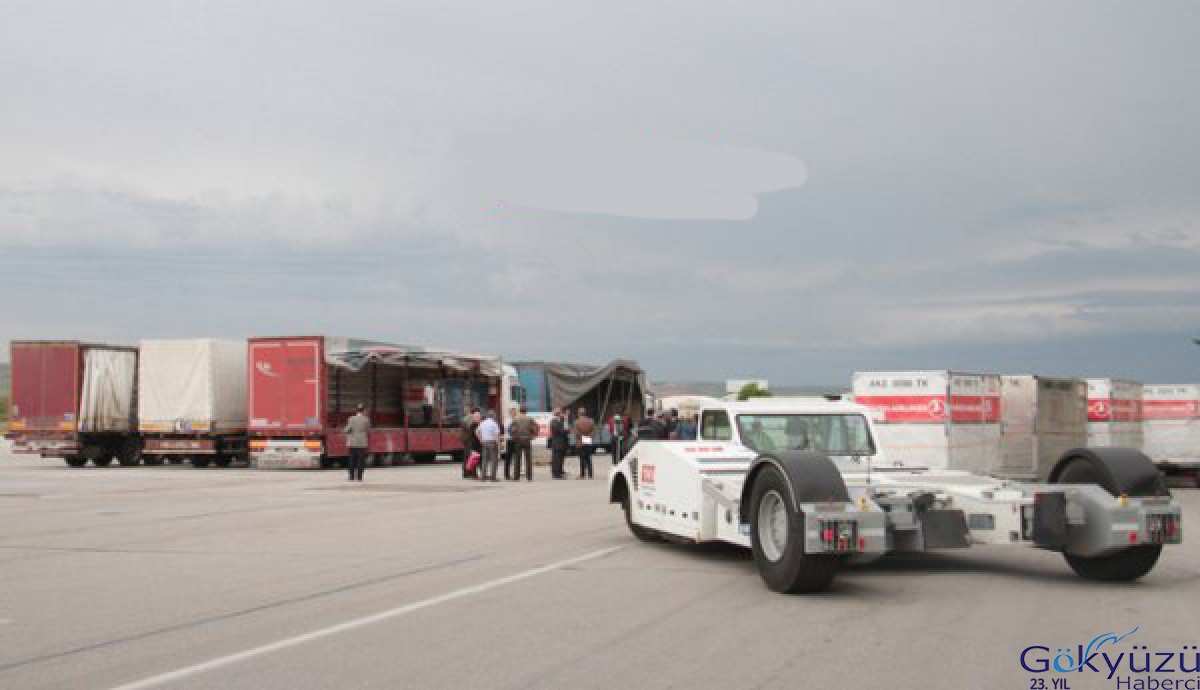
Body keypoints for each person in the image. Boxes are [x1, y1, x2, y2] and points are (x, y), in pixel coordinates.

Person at [509, 406, 538, 481]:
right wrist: (533, 436)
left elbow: (512, 430)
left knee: (517, 458)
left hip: (518, 440)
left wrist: (513, 436)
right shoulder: (530, 419)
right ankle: (529, 477)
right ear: (526, 411)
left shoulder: (515, 419)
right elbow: (535, 428)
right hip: (527, 439)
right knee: (528, 459)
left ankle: (516, 476)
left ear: (520, 411)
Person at [344, 404, 371, 481]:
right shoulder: (366, 420)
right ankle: (359, 477)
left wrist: (346, 431)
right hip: (362, 443)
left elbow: (347, 430)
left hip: (352, 443)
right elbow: (368, 430)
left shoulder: (351, 419)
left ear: (356, 411)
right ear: (363, 411)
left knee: (352, 460)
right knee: (361, 460)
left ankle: (351, 476)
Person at [476, 410, 501, 481]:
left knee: (484, 460)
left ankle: (483, 477)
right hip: (492, 442)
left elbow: (477, 432)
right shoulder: (494, 424)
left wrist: (481, 440)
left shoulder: (482, 423)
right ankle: (493, 477)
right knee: (494, 460)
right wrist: (499, 445)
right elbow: (497, 436)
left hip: (484, 442)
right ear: (493, 416)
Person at [574, 406, 596, 479]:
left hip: (580, 442)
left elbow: (577, 433)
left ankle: (582, 475)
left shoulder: (577, 422)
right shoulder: (591, 421)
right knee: (588, 458)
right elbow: (593, 432)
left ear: (579, 413)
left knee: (582, 459)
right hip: (588, 440)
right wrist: (588, 437)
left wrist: (581, 438)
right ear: (585, 413)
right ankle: (590, 474)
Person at [460, 406, 481, 479]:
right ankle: (470, 473)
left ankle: (466, 473)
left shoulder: (464, 418)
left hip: (466, 439)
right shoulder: (471, 419)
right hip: (469, 440)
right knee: (471, 457)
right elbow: (472, 430)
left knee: (467, 456)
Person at [549, 408, 568, 479]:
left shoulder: (557, 421)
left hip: (559, 443)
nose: (562, 414)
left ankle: (558, 472)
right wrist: (566, 429)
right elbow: (562, 431)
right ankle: (557, 474)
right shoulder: (555, 422)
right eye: (561, 413)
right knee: (557, 459)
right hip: (558, 443)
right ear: (559, 414)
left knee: (558, 458)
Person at [503, 406, 518, 479]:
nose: (514, 413)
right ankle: (507, 474)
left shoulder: (517, 419)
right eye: (512, 411)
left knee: (516, 458)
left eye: (515, 412)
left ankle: (515, 473)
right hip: (509, 440)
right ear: (510, 412)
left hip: (516, 440)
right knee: (508, 458)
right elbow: (507, 429)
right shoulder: (507, 420)